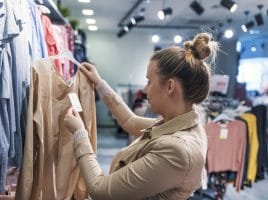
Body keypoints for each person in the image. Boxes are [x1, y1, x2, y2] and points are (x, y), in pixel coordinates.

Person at [64, 32, 219, 200]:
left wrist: (80, 134)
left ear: (170, 87)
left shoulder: (177, 150)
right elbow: (130, 121)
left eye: (149, 81)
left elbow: (100, 190)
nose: (145, 90)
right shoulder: (180, 125)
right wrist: (100, 84)